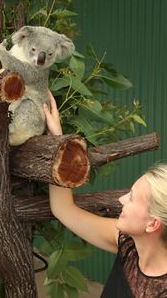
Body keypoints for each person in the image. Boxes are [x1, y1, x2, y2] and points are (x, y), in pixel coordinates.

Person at [43, 92, 167, 298]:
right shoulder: (129, 245)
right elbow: (63, 209)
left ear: (152, 224)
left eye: (132, 198)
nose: (121, 199)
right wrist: (57, 141)